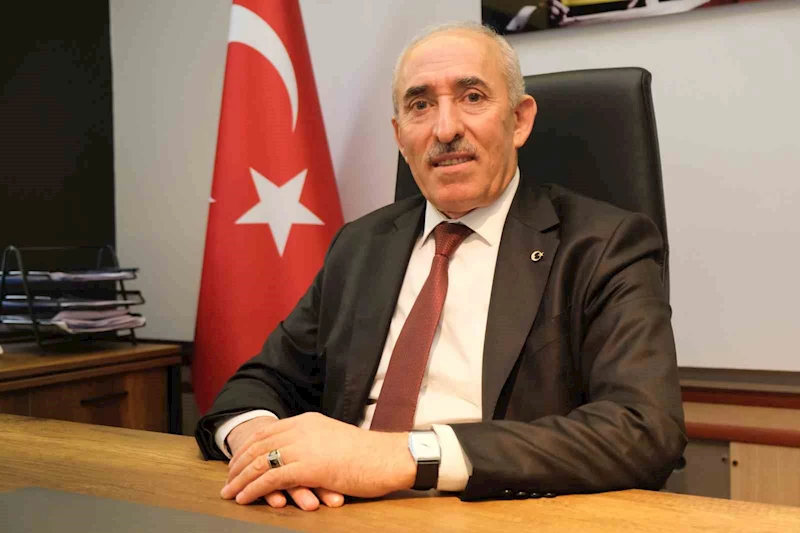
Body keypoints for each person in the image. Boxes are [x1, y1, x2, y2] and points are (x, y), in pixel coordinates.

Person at [195, 21, 686, 512]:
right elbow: (260, 382)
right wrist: (263, 448)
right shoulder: (361, 245)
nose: (445, 129)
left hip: (497, 513)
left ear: (519, 121)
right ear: (399, 135)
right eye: (420, 105)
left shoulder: (603, 245)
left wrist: (405, 457)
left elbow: (643, 429)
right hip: (334, 510)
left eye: (472, 97)